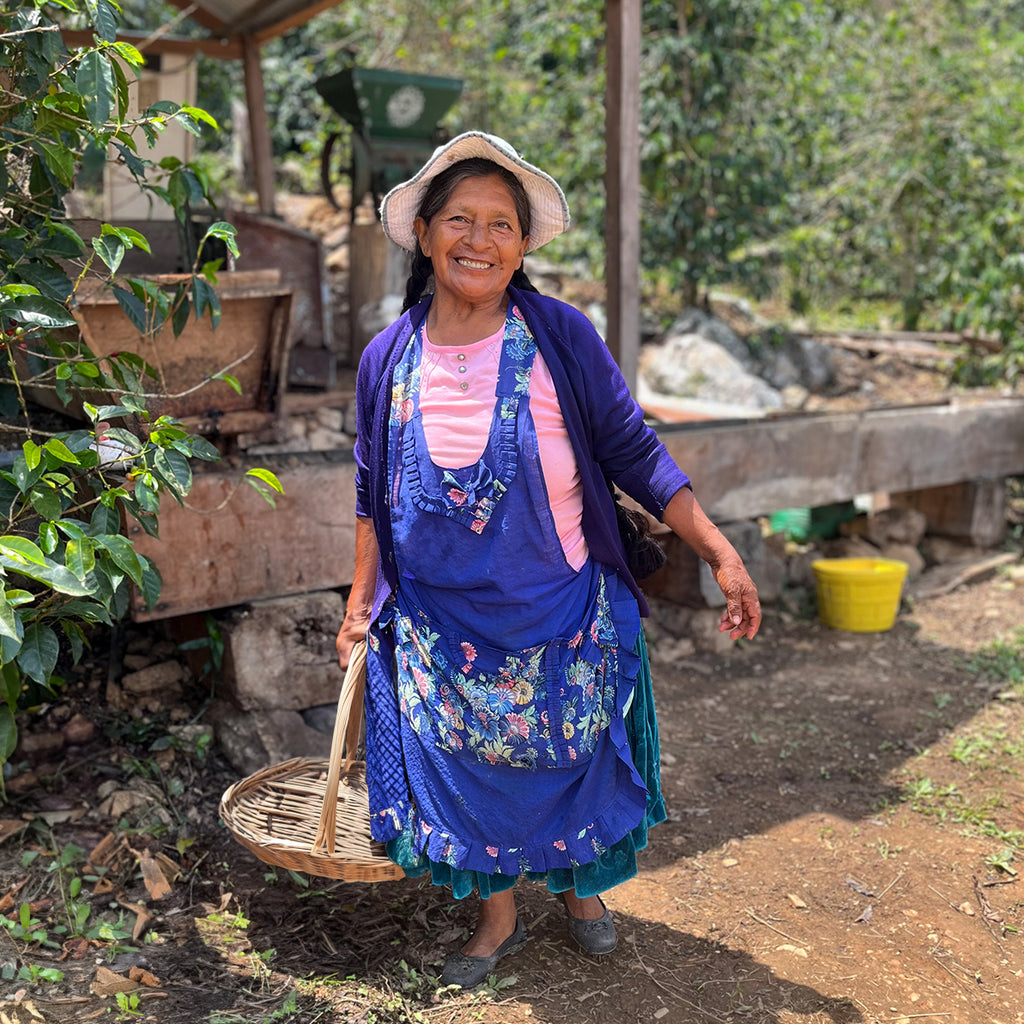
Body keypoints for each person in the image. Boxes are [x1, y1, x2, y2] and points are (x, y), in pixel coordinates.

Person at [335, 131, 761, 988]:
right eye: (459, 219)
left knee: (572, 756)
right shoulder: (388, 357)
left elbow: (637, 454)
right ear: (425, 235)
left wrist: (720, 551)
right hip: (437, 624)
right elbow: (371, 494)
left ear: (523, 245)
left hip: (559, 610)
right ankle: (498, 918)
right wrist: (358, 607)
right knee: (464, 770)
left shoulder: (560, 337)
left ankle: (581, 892)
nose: (478, 240)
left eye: (500, 224)